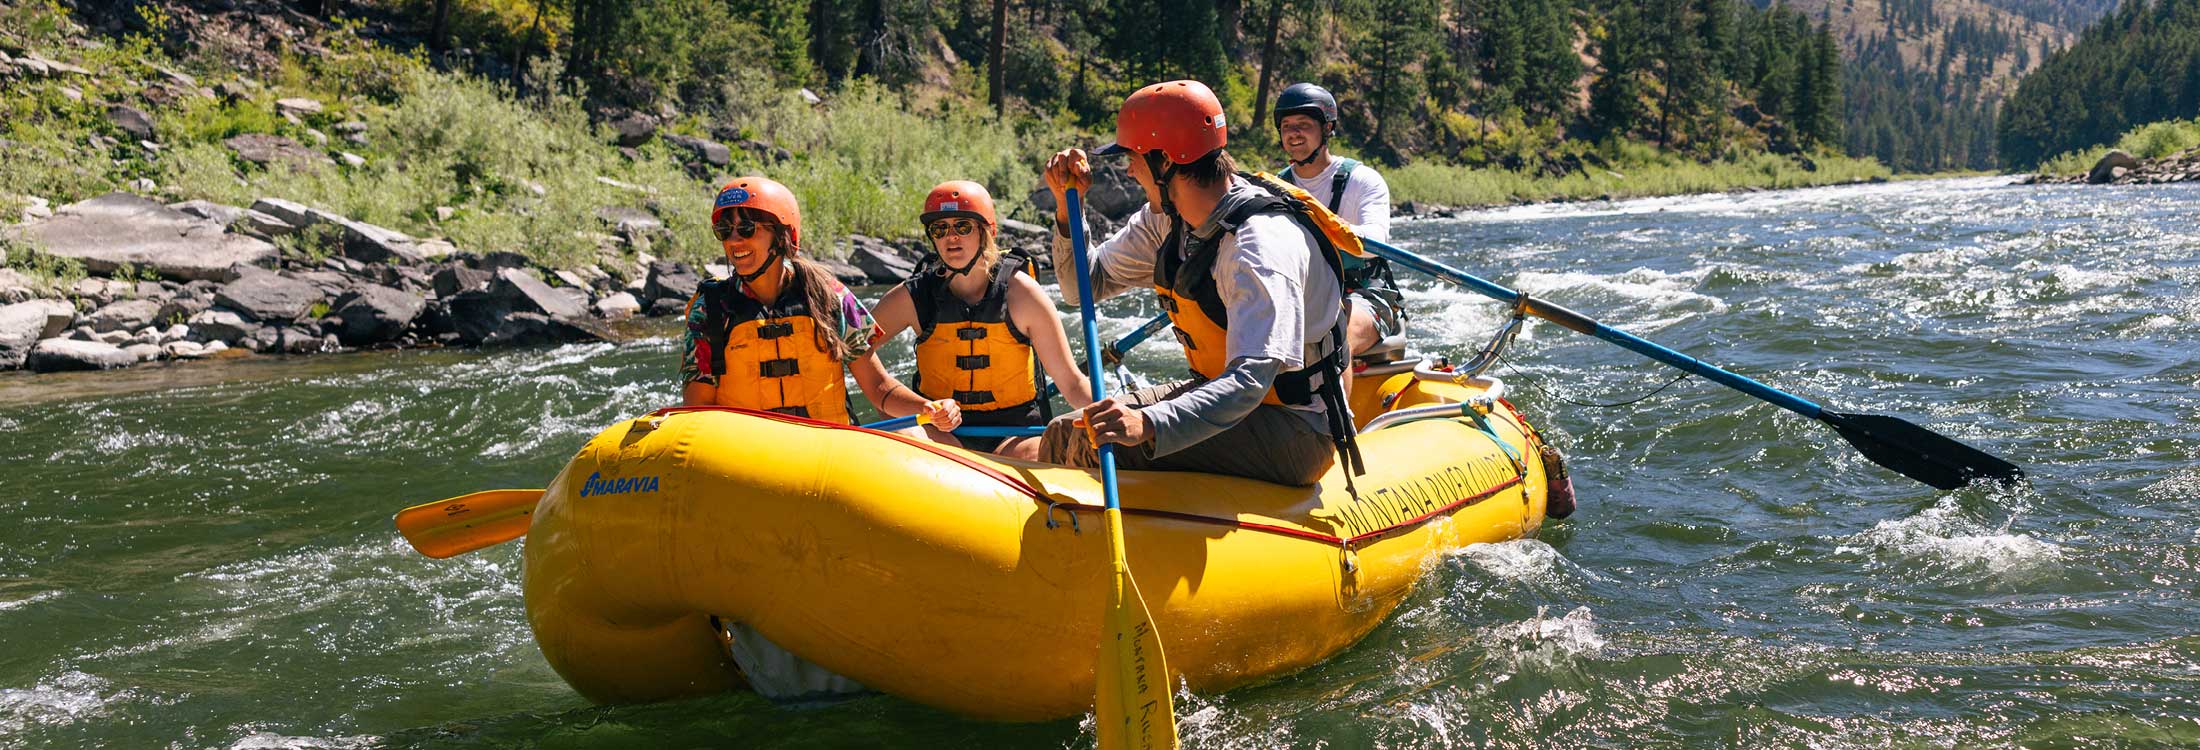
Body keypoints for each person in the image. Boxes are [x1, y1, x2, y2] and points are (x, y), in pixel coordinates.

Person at [1037, 79, 1361, 487]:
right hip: (1223, 400)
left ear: (1167, 162)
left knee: (1107, 445)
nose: (1128, 169)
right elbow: (1081, 286)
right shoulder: (1165, 220)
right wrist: (1069, 212)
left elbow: (1249, 383)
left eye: (1134, 157)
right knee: (1066, 433)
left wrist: (1149, 423)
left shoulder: (1258, 248)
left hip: (1296, 429)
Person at [680, 176, 959, 435]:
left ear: (782, 236)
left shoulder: (830, 296)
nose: (734, 240)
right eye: (724, 230)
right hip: (747, 458)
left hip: (826, 454)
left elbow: (878, 388)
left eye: (746, 228)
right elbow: (699, 412)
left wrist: (927, 408)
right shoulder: (709, 309)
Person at [865, 180, 1094, 458]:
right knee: (899, 437)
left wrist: (1113, 418)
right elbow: (852, 349)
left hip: (1016, 436)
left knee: (1044, 454)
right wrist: (897, 400)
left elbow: (1071, 383)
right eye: (940, 228)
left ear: (987, 231)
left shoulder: (1022, 295)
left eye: (963, 226)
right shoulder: (913, 296)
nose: (951, 237)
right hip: (939, 432)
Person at [1273, 82, 1405, 360]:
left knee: (1333, 340)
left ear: (1327, 129)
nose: (1293, 133)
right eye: (1286, 126)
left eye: (1303, 124)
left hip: (1365, 293)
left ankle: (1338, 403)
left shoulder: (1363, 181)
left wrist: (1318, 224)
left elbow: (1373, 244)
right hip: (1303, 296)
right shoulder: (1273, 188)